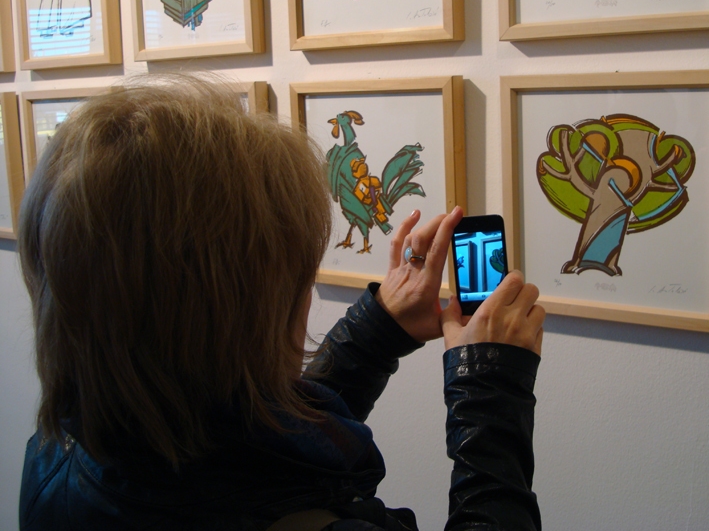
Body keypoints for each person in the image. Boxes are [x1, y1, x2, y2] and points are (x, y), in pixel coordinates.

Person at [17, 75, 545, 531]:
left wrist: (378, 329)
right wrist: (489, 392)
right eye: (297, 280)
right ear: (241, 319)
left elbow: (244, 448)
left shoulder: (59, 454)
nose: (306, 296)